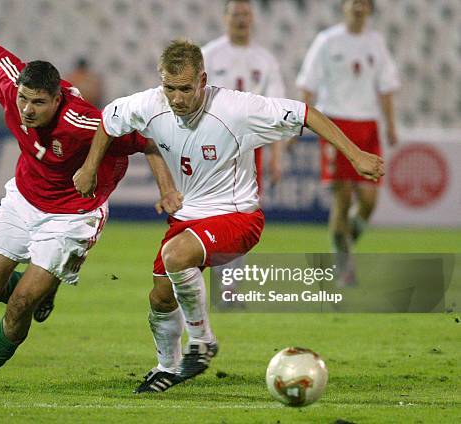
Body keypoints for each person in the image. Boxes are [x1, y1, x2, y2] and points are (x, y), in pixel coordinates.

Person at [73, 39, 384, 393]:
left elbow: (306, 114)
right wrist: (88, 168)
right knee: (160, 297)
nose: (176, 98)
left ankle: (202, 341)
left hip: (237, 217)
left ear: (202, 80)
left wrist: (356, 154)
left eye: (185, 89)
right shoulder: (148, 104)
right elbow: (109, 121)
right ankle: (167, 366)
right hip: (186, 219)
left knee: (176, 257)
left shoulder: (238, 108)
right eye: (169, 88)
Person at [0, 21, 178, 390]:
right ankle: (42, 287)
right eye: (24, 98)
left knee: (21, 303)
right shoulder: (13, 86)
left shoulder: (81, 119)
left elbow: (145, 140)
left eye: (39, 102)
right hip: (23, 200)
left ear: (57, 99)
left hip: (73, 215)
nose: (27, 109)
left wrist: (165, 190)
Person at [296, 0, 400, 285]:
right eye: (354, 2)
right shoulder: (327, 41)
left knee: (369, 200)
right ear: (344, 6)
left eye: (364, 3)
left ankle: (340, 248)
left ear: (370, 9)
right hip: (336, 123)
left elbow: (387, 86)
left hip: (367, 124)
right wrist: (297, 123)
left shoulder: (376, 42)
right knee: (342, 198)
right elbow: (308, 84)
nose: (358, 7)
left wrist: (390, 124)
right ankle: (344, 267)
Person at [202, 0, 287, 290]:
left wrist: (277, 155)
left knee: (243, 212)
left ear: (253, 19)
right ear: (225, 18)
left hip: (251, 145)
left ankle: (229, 283)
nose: (241, 20)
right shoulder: (209, 55)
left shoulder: (265, 60)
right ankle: (215, 278)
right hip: (213, 143)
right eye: (236, 14)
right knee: (214, 210)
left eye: (246, 14)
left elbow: (276, 111)